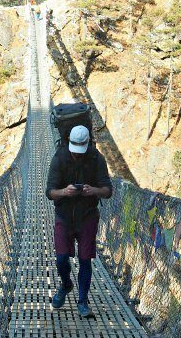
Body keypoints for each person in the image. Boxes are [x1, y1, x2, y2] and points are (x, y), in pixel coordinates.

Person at [46, 125, 112, 318]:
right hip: (64, 215)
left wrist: (94, 190)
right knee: (61, 259)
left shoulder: (96, 159)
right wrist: (64, 192)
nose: (77, 156)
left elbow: (108, 190)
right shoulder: (59, 158)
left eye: (80, 153)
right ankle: (66, 284)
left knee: (85, 260)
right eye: (74, 152)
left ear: (87, 144)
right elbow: (50, 192)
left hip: (87, 216)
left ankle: (82, 302)